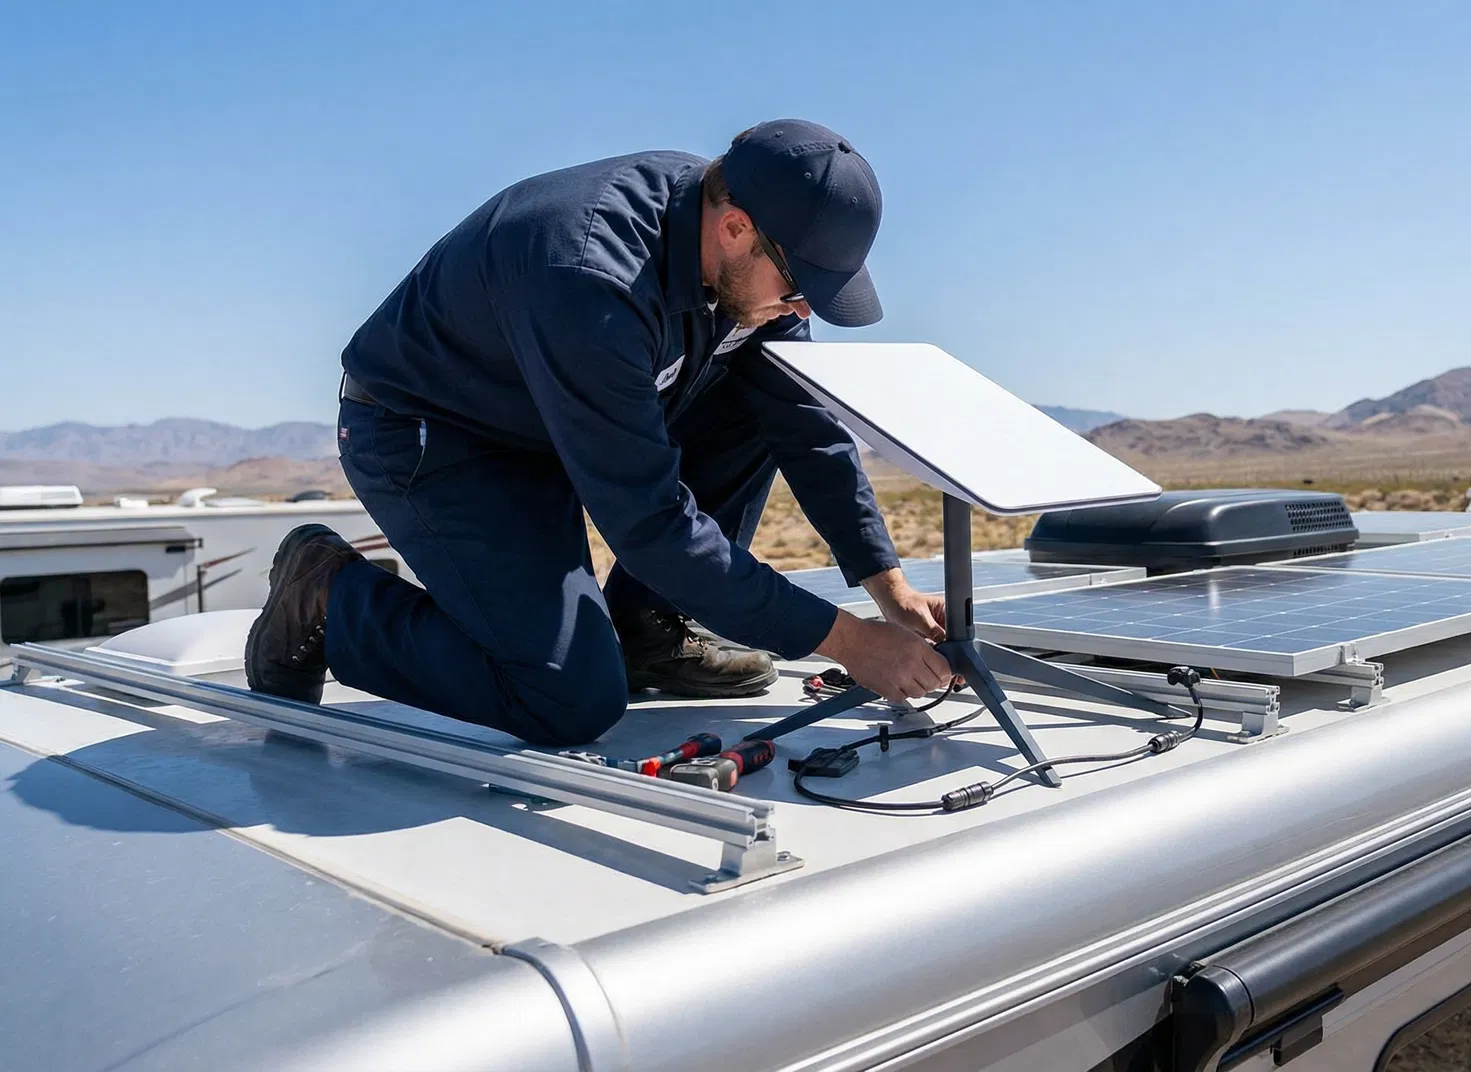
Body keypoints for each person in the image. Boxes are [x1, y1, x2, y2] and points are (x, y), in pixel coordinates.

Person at [243, 119, 955, 747]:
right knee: (567, 698)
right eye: (798, 288)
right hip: (437, 436)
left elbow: (807, 428)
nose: (800, 310)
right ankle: (330, 595)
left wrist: (888, 588)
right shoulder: (590, 277)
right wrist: (847, 642)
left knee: (760, 396)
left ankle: (649, 631)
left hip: (543, 423)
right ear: (735, 228)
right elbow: (650, 524)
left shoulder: (746, 260)